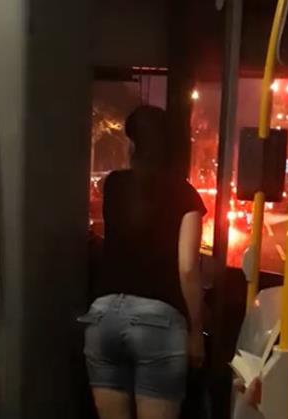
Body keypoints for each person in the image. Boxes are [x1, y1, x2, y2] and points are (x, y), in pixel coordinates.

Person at [82, 105, 206, 419]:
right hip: (158, 322)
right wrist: (196, 332)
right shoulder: (185, 194)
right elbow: (187, 267)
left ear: (133, 145)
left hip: (103, 317)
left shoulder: (113, 185)